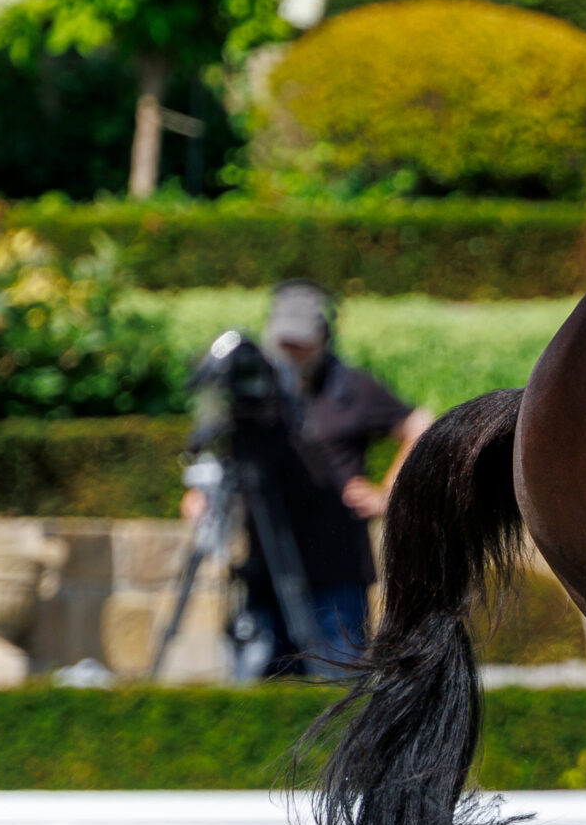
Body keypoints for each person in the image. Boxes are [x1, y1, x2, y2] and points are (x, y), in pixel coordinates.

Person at [181, 280, 434, 678]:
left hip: (335, 577)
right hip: (265, 573)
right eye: (285, 342)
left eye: (302, 342)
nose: (292, 352)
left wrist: (390, 492)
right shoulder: (259, 389)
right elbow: (225, 445)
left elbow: (421, 425)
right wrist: (204, 492)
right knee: (262, 692)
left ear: (324, 337)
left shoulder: (353, 387)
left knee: (336, 695)